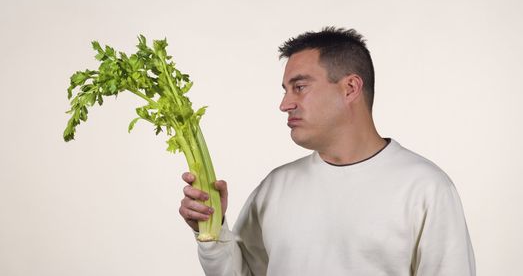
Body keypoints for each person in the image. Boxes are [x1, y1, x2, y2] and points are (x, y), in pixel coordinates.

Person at [179, 27, 476, 275]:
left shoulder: (425, 188)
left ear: (349, 88)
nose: (284, 104)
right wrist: (212, 231)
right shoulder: (276, 186)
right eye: (285, 90)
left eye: (299, 87)